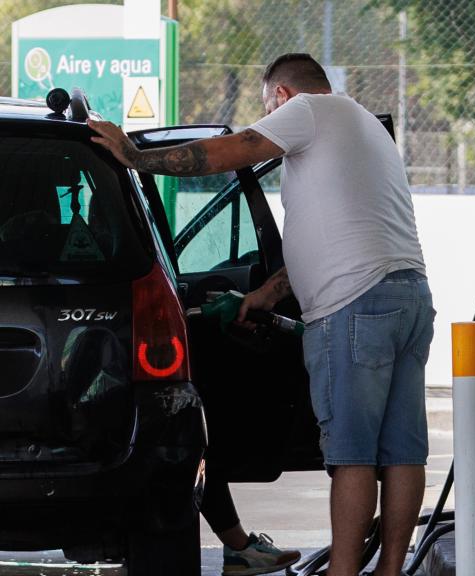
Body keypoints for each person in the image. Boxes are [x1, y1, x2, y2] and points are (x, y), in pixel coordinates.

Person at [88, 53, 434, 576]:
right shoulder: (363, 123)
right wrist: (267, 294)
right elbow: (341, 231)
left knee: (353, 455)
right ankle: (388, 572)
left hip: (354, 306)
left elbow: (233, 150)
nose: (267, 117)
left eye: (266, 106)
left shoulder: (307, 110)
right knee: (403, 450)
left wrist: (135, 157)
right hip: (409, 296)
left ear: (282, 96)